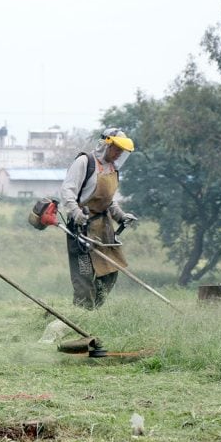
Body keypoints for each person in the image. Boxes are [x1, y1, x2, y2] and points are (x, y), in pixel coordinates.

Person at [60, 128, 137, 310]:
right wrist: (76, 213)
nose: (118, 154)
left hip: (104, 228)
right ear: (105, 145)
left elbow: (109, 202)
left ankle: (94, 311)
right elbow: (67, 192)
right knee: (84, 275)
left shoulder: (113, 168)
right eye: (116, 149)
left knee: (110, 273)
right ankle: (80, 317)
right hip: (82, 228)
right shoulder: (85, 162)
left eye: (121, 151)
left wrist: (121, 216)